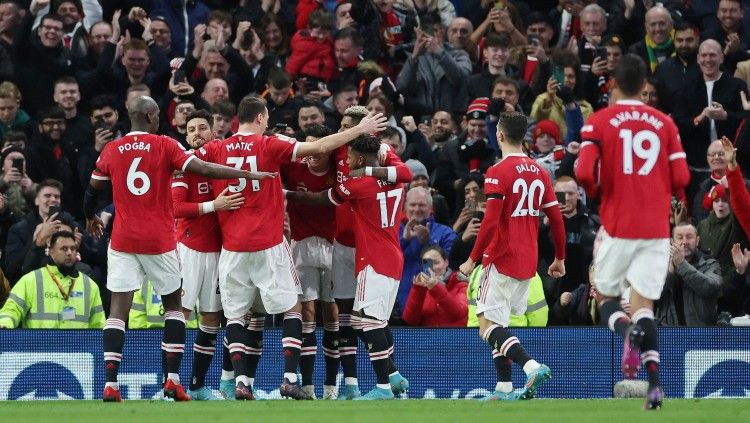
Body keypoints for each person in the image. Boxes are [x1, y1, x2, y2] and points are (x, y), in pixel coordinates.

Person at [194, 96, 387, 400]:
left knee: (235, 316)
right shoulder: (269, 145)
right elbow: (319, 147)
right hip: (268, 244)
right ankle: (288, 378)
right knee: (292, 309)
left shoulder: (217, 148)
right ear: (260, 118)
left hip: (232, 247)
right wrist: (359, 129)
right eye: (267, 118)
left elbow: (190, 160)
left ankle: (242, 382)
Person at [83, 95, 274, 403]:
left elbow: (91, 192)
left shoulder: (112, 149)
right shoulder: (166, 146)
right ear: (148, 117)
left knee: (118, 312)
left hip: (123, 240)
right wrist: (249, 175)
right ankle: (173, 381)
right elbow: (206, 170)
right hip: (161, 241)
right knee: (176, 309)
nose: (161, 119)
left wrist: (90, 217)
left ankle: (110, 384)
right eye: (158, 114)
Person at [576, 54, 691, 410]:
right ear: (645, 85)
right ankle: (654, 385)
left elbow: (583, 172)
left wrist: (600, 191)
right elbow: (683, 178)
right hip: (656, 229)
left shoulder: (598, 122)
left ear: (612, 83)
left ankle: (627, 333)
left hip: (618, 225)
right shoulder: (664, 124)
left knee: (606, 296)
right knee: (644, 306)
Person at [286, 134, 409, 400]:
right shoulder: (397, 178)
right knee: (364, 320)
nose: (346, 161)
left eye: (350, 157)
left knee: (369, 323)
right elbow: (406, 171)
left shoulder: (359, 184)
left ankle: (384, 387)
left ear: (361, 159)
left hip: (374, 258)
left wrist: (285, 193)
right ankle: (393, 375)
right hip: (393, 255)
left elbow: (323, 198)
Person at [459, 111, 565, 402]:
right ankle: (504, 388)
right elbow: (556, 219)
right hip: (528, 262)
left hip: (502, 257)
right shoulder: (540, 171)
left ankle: (531, 366)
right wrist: (560, 258)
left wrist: (472, 259)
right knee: (499, 324)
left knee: (486, 325)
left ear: (500, 136)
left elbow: (491, 222)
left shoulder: (497, 172)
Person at [172, 110, 245, 401]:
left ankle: (198, 385)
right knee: (181, 313)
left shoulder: (223, 163)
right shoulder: (182, 166)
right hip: (189, 249)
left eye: (203, 128)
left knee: (212, 318)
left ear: (214, 133)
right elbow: (176, 208)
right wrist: (213, 205)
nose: (197, 133)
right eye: (191, 129)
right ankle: (170, 383)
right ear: (186, 135)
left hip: (220, 251)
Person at [280, 124, 340, 399]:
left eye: (319, 148)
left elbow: (329, 200)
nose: (312, 154)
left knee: (332, 317)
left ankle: (331, 386)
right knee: (306, 316)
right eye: (309, 148)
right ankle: (308, 386)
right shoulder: (294, 167)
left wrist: (289, 195)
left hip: (332, 247)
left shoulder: (338, 168)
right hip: (301, 246)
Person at [0, 230, 104, 328]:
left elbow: (99, 324)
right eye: (64, 248)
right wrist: (4, 325)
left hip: (76, 346)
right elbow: (11, 309)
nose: (69, 253)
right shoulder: (31, 280)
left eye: (73, 249)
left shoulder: (90, 285)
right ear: (51, 252)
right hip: (38, 346)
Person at [655, 223, 722, 326]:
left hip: (700, 334)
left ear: (697, 241)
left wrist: (682, 265)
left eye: (689, 237)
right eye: (680, 237)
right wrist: (670, 272)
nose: (685, 242)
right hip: (668, 334)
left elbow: (711, 288)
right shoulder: (660, 265)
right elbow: (652, 295)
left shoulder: (710, 264)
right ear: (672, 242)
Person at [402, 245, 468, 327]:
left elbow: (459, 314)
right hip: (429, 338)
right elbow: (410, 321)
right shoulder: (421, 288)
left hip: (455, 338)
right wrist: (418, 290)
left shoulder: (460, 283)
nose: (432, 268)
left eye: (436, 262)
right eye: (427, 264)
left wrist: (436, 288)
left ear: (446, 262)